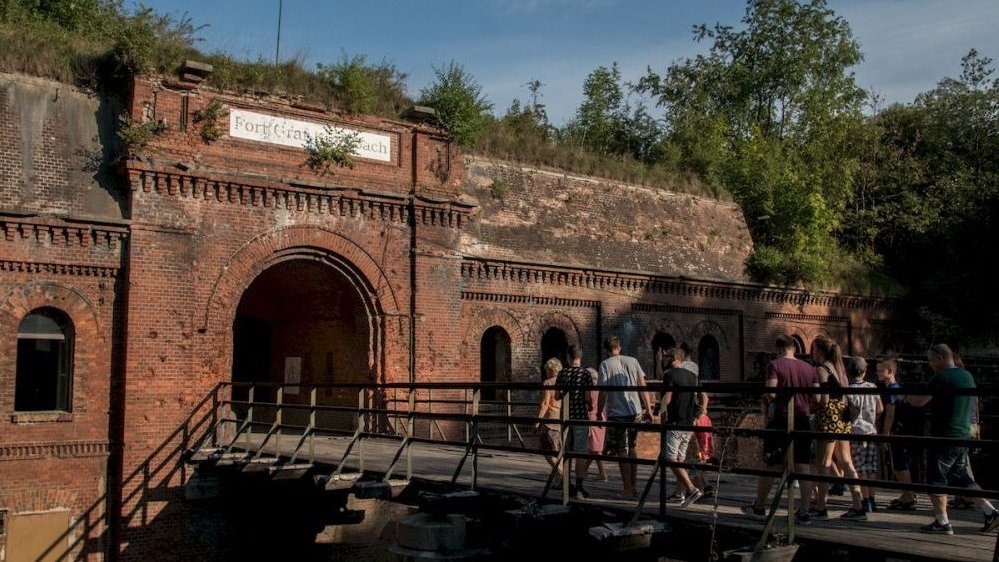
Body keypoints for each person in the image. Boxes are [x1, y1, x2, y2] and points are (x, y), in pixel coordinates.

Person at [905, 344, 999, 535]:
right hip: (964, 435)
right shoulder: (967, 376)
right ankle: (991, 511)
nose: (930, 364)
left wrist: (905, 395)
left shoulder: (942, 378)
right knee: (961, 476)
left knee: (936, 478)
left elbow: (920, 401)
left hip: (944, 435)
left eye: (931, 360)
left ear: (940, 357)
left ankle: (942, 522)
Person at [742, 335, 818, 521]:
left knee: (770, 464)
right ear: (795, 348)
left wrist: (770, 405)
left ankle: (759, 506)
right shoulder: (810, 369)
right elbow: (816, 398)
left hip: (780, 419)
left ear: (778, 349)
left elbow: (770, 393)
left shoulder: (774, 365)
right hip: (803, 419)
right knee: (803, 467)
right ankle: (804, 511)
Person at [809, 336, 867, 521]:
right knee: (846, 461)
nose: (812, 353)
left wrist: (812, 405)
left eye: (813, 349)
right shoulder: (840, 369)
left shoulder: (821, 369)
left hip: (828, 418)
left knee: (824, 462)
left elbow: (824, 399)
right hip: (842, 418)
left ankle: (820, 506)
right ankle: (858, 505)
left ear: (819, 351)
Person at [597, 336, 654, 500]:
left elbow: (602, 392)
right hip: (635, 411)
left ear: (606, 350)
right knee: (633, 447)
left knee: (622, 449)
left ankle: (627, 489)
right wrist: (648, 409)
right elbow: (642, 386)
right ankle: (634, 486)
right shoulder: (633, 361)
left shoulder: (605, 365)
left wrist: (600, 412)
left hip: (618, 413)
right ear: (619, 347)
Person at [659, 347, 708, 507]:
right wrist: (700, 413)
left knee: (669, 458)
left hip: (675, 422)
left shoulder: (669, 375)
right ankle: (679, 494)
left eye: (666, 356)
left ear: (673, 358)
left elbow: (668, 396)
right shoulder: (693, 376)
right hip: (688, 423)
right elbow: (704, 397)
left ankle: (691, 489)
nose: (663, 359)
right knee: (680, 459)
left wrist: (662, 416)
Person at [878, 357, 920, 511]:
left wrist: (885, 435)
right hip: (904, 430)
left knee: (899, 465)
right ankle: (907, 493)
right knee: (901, 463)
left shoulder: (891, 391)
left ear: (890, 372)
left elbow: (890, 415)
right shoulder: (898, 388)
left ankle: (908, 496)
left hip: (897, 431)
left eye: (881, 370)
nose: (878, 373)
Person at [555, 345, 593, 498]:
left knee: (566, 451)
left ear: (568, 357)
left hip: (566, 417)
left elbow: (557, 396)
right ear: (580, 356)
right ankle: (579, 486)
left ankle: (566, 484)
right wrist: (589, 406)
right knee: (581, 452)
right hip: (580, 417)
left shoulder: (562, 373)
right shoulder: (585, 374)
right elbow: (588, 398)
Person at [846, 356, 882, 513]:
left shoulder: (848, 390)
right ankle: (873, 499)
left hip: (856, 432)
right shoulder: (872, 387)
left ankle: (865, 499)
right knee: (871, 467)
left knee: (860, 467)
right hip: (871, 431)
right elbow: (880, 408)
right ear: (865, 371)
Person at [535, 357, 564, 483]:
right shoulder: (563, 382)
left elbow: (545, 404)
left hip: (549, 420)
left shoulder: (548, 383)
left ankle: (561, 474)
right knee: (558, 450)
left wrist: (537, 421)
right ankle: (560, 478)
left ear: (550, 370)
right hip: (560, 419)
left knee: (545, 450)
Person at [586, 367, 608, 481]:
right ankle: (585, 470)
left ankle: (602, 473)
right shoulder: (600, 388)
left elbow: (589, 404)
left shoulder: (589, 389)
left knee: (595, 448)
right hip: (602, 418)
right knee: (593, 448)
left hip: (593, 418)